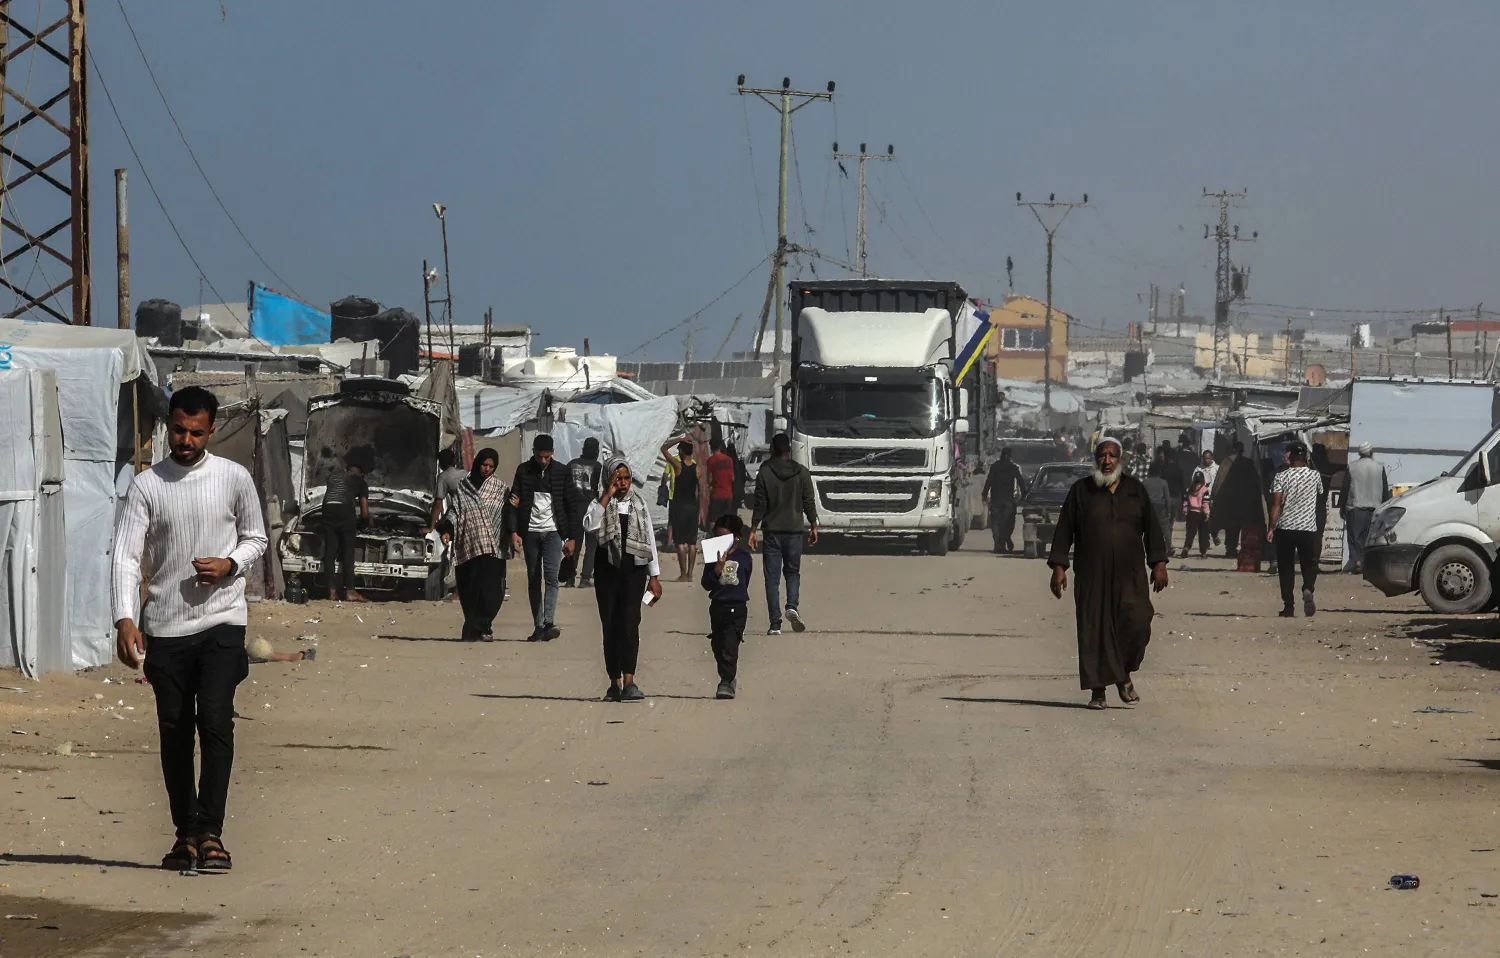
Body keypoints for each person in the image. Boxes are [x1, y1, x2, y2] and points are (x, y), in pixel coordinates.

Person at [111, 386, 268, 872]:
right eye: (179, 430)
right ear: (168, 427)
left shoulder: (233, 478)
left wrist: (230, 565)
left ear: (211, 430)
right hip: (165, 627)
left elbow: (257, 538)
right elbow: (126, 557)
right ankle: (186, 834)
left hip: (223, 620)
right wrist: (124, 618)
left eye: (196, 432)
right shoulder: (147, 486)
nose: (186, 440)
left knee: (216, 722)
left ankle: (212, 833)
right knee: (175, 729)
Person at [1048, 437, 1169, 710]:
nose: (1107, 461)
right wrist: (1059, 567)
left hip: (1131, 573)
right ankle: (1098, 692)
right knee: (1094, 629)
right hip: (1092, 574)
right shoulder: (1082, 491)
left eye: (1112, 455)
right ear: (1095, 459)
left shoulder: (1136, 490)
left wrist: (1159, 563)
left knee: (1138, 620)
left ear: (1120, 459)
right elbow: (1065, 529)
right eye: (1102, 455)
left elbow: (1152, 527)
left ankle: (1123, 672)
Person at [583, 455, 664, 701]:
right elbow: (590, 526)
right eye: (618, 478)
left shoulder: (639, 504)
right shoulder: (599, 503)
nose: (623, 483)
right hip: (607, 571)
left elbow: (648, 539)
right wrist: (606, 496)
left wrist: (654, 576)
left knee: (630, 624)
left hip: (634, 571)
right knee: (610, 624)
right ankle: (614, 682)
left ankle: (630, 680)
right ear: (609, 478)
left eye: (627, 478)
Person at [506, 435, 579, 642]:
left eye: (547, 457)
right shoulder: (523, 471)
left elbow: (571, 507)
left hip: (553, 533)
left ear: (552, 454)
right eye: (540, 457)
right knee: (533, 578)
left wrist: (572, 537)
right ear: (534, 454)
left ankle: (548, 621)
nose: (544, 461)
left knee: (551, 578)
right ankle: (538, 626)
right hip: (529, 533)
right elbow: (513, 504)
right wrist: (514, 532)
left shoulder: (562, 472)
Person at [750, 432, 818, 635]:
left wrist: (753, 529)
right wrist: (814, 524)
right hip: (795, 531)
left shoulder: (764, 472)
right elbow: (808, 501)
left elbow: (760, 504)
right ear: (789, 449)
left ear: (772, 449)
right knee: (792, 572)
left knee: (771, 578)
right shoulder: (802, 472)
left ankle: (775, 624)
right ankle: (792, 606)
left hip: (772, 532)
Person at [450, 448, 508, 641]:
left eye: (491, 466)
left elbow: (506, 513)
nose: (487, 469)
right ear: (478, 464)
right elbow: (455, 510)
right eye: (484, 465)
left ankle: (482, 624)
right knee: (470, 588)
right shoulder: (463, 486)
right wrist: (447, 529)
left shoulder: (500, 488)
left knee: (492, 591)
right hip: (469, 544)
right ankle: (477, 628)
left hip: (493, 546)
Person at [1267, 441, 1325, 617]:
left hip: (1285, 528)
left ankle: (1288, 606)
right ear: (1305, 457)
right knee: (1310, 563)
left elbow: (1276, 504)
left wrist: (1271, 527)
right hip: (1307, 528)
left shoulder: (1281, 476)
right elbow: (1320, 495)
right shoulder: (1315, 476)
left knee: (1286, 567)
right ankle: (1308, 587)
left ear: (1290, 457)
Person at [701, 513, 753, 700]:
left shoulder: (744, 557)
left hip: (737, 608)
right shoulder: (712, 558)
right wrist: (716, 569)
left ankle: (726, 681)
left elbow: (745, 581)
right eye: (717, 537)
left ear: (736, 537)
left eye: (725, 537)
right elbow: (706, 583)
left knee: (730, 646)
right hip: (717, 607)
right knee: (717, 644)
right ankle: (727, 677)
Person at [320, 457, 370, 602]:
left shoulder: (334, 477)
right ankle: (350, 591)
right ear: (360, 474)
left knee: (330, 551)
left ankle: (331, 592)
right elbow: (365, 513)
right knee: (348, 552)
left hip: (327, 510)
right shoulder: (361, 482)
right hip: (344, 512)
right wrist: (365, 523)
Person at [561, 438, 604, 589]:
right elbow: (601, 487)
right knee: (591, 545)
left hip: (573, 509)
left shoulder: (571, 464)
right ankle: (585, 578)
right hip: (591, 508)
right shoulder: (598, 466)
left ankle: (570, 578)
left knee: (574, 543)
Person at [1343, 441, 1391, 574]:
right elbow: (1385, 490)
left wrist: (1342, 508)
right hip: (1375, 508)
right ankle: (1366, 563)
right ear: (1371, 452)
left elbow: (1345, 489)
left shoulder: (1352, 467)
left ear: (1359, 453)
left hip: (1356, 508)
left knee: (1355, 537)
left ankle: (1357, 561)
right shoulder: (1379, 467)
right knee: (1370, 538)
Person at [660, 435, 703, 581]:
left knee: (680, 542)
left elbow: (663, 448)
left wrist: (679, 439)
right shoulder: (698, 469)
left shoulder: (678, 466)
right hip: (692, 507)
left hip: (679, 506)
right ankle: (690, 574)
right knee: (692, 543)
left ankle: (683, 573)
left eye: (679, 449)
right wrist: (700, 510)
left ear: (682, 452)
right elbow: (700, 491)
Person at [1214, 441, 1265, 559]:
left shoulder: (1226, 462)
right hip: (1244, 501)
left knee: (1231, 526)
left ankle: (1231, 549)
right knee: (1245, 525)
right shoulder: (1247, 463)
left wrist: (1216, 499)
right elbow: (1255, 482)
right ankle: (1245, 549)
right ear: (1242, 451)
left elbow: (1218, 482)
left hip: (1229, 500)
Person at [982, 448, 1027, 553]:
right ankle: (1005, 540)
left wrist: (984, 494)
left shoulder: (995, 467)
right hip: (1009, 500)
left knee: (996, 522)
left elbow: (989, 481)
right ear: (1010, 456)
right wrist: (1025, 495)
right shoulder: (1013, 467)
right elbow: (1020, 481)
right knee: (1008, 522)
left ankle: (998, 544)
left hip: (996, 499)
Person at [1143, 461, 1175, 550]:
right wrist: (1168, 511)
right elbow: (1167, 498)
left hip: (1149, 507)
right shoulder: (1163, 482)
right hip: (1161, 507)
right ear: (1159, 471)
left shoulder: (1145, 482)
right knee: (1165, 526)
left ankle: (1151, 546)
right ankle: (1169, 545)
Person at [706, 439, 737, 524]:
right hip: (728, 495)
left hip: (717, 495)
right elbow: (733, 478)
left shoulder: (711, 460)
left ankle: (714, 536)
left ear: (711, 448)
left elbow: (709, 479)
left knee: (712, 520)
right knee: (725, 521)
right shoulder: (729, 460)